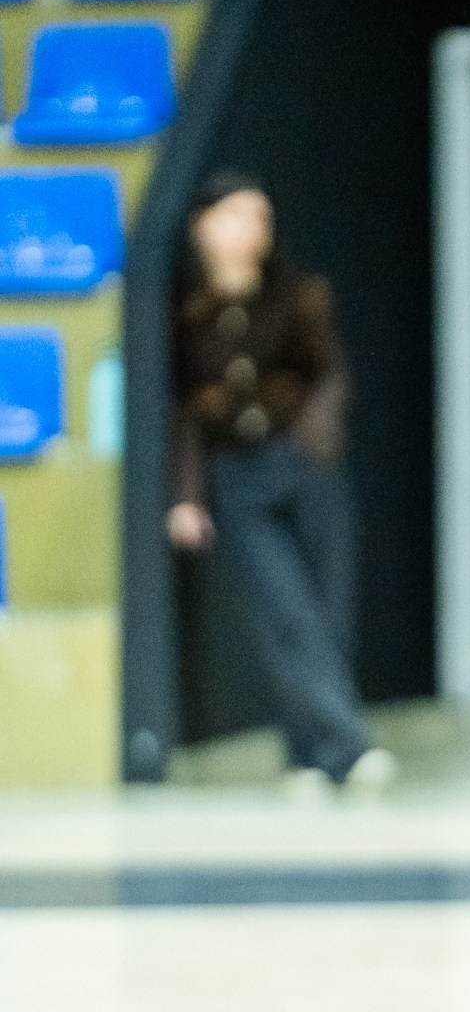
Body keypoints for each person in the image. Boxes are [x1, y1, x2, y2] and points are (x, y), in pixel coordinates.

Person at [167, 172, 393, 796]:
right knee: (283, 614)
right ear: (203, 226)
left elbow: (328, 376)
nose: (251, 230)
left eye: (259, 217)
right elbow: (184, 411)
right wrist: (187, 496)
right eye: (237, 215)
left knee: (326, 613)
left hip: (304, 470)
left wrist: (313, 442)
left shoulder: (297, 294)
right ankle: (348, 747)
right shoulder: (187, 312)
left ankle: (308, 753)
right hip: (236, 477)